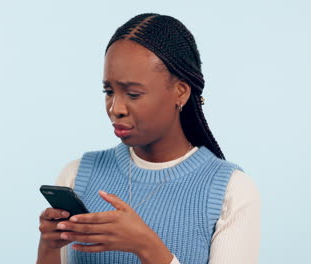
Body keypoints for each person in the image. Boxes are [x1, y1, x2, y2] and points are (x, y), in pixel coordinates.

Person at [37, 13, 260, 264]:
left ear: (180, 92)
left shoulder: (231, 191)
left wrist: (147, 247)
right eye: (108, 91)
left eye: (133, 93)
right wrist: (48, 247)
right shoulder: (77, 176)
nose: (116, 108)